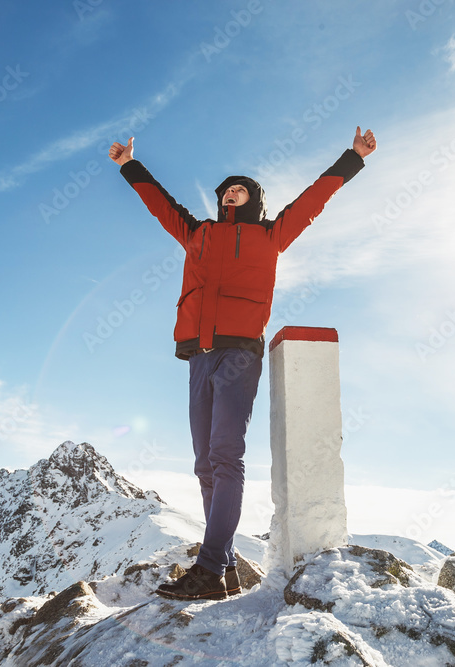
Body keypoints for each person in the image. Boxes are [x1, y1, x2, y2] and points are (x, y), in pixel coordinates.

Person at [109, 126, 377, 601]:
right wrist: (130, 165)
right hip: (199, 356)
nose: (231, 191)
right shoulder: (198, 232)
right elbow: (160, 205)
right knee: (204, 467)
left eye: (241, 188)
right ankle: (226, 567)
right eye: (227, 188)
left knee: (225, 456)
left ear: (254, 198)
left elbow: (313, 200)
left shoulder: (270, 234)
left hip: (238, 355)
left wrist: (352, 158)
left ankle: (209, 569)